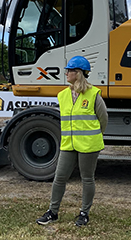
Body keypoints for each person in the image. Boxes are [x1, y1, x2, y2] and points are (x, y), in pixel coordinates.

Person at [36, 56, 108, 227]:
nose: (66, 73)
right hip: (68, 144)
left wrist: (95, 136)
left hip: (89, 145)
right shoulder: (62, 95)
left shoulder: (93, 94)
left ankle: (84, 213)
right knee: (59, 178)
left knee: (87, 178)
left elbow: (103, 118)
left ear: (79, 73)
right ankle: (53, 212)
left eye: (69, 70)